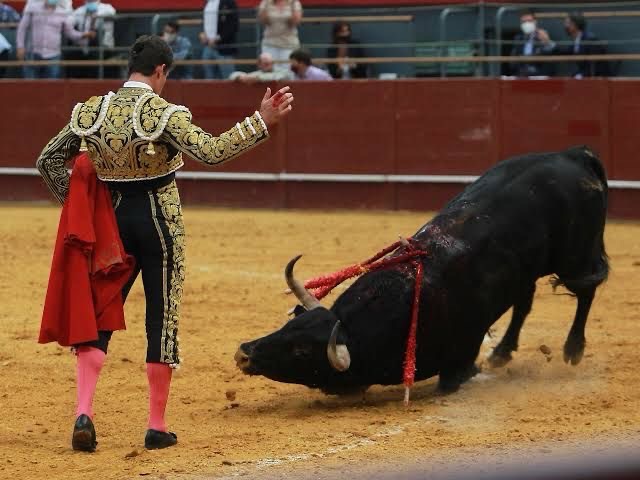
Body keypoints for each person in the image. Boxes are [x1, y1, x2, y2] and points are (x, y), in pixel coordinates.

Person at [35, 35, 294, 452]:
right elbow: (211, 152)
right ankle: (156, 425)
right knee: (161, 317)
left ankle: (84, 411)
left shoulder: (90, 111)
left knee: (100, 309)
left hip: (109, 224)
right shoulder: (163, 111)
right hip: (158, 219)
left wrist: (80, 204)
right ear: (161, 71)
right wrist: (260, 121)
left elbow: (47, 161)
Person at [16, 0, 95, 79]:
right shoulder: (33, 8)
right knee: (31, 86)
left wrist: (84, 35)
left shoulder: (62, 13)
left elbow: (70, 33)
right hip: (33, 53)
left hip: (53, 56)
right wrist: (20, 46)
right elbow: (22, 28)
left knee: (51, 87)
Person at [540, 12, 608, 78]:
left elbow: (594, 66)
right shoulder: (577, 40)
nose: (565, 26)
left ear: (574, 25)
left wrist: (579, 76)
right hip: (584, 76)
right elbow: (564, 53)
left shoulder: (590, 40)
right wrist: (548, 42)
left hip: (597, 79)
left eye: (567, 23)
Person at [68, 0, 116, 78]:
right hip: (83, 49)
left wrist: (95, 15)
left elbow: (112, 13)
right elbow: (68, 23)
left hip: (104, 49)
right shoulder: (79, 11)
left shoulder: (107, 8)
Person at [258, 0, 302, 73]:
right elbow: (263, 21)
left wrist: (292, 8)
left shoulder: (294, 2)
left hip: (289, 44)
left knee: (287, 72)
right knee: (268, 71)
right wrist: (265, 9)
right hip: (270, 43)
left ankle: (287, 85)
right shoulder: (266, 2)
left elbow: (295, 22)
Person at [508, 10, 554, 77]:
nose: (527, 24)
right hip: (522, 74)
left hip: (539, 73)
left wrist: (547, 42)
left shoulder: (542, 35)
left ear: (535, 22)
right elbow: (513, 60)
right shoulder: (518, 38)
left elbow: (549, 53)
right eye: (524, 22)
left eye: (529, 21)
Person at [199, 0, 238, 79]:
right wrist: (202, 34)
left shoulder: (229, 2)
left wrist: (218, 38)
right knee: (209, 80)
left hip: (224, 47)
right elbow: (206, 21)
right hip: (207, 47)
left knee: (229, 79)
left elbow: (234, 25)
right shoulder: (207, 3)